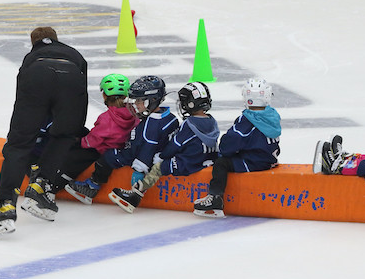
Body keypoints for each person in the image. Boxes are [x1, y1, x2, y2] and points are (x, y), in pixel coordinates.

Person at [0, 26, 88, 238]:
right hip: (72, 77)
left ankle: (5, 206)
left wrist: (25, 127)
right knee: (64, 135)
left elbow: (23, 95)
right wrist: (72, 126)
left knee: (19, 144)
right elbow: (81, 94)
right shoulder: (75, 55)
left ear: (33, 42)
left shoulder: (32, 56)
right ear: (57, 39)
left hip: (37, 76)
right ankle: (40, 186)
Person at [64, 75, 178, 205]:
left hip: (131, 156)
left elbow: (147, 149)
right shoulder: (170, 117)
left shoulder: (151, 124)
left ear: (152, 100)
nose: (135, 105)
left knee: (108, 156)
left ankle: (92, 186)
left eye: (139, 101)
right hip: (150, 154)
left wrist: (139, 170)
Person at [110, 82, 220, 213]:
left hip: (188, 162)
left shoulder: (189, 124)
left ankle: (135, 195)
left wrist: (162, 156)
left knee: (158, 167)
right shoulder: (212, 120)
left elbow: (175, 145)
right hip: (206, 158)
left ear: (189, 104)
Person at [192, 78, 282, 218]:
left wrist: (223, 151)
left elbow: (229, 144)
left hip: (254, 162)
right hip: (269, 159)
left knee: (221, 163)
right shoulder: (272, 115)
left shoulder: (247, 120)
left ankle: (215, 198)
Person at [51, 73, 137, 194]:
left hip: (103, 151)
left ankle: (56, 182)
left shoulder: (106, 118)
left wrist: (79, 142)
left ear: (105, 95)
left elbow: (93, 140)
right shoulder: (134, 114)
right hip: (120, 149)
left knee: (75, 155)